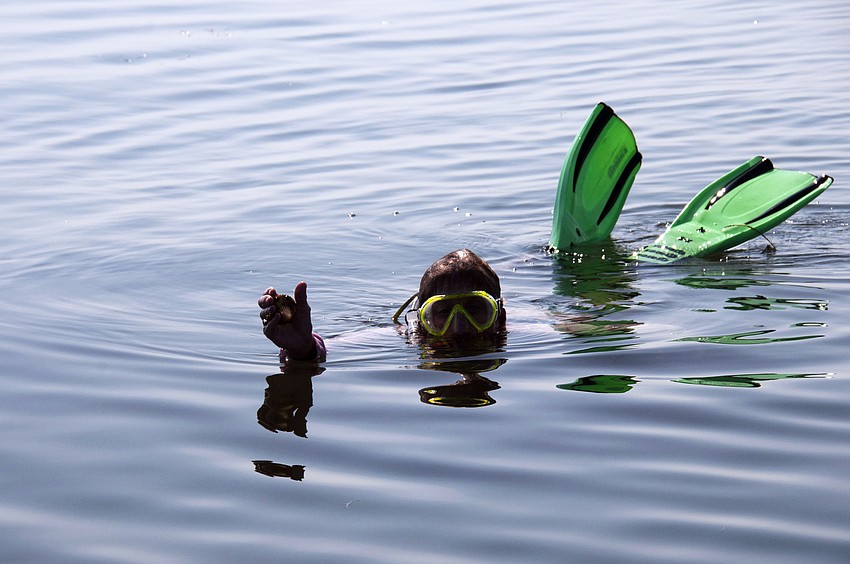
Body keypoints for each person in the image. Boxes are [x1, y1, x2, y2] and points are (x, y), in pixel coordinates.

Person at [258, 248, 506, 360]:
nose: (460, 325)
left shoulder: (516, 332)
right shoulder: (409, 337)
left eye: (475, 309)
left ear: (500, 317)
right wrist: (303, 348)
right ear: (420, 321)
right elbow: (330, 348)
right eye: (442, 312)